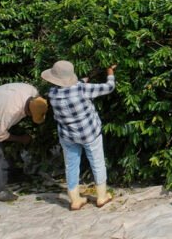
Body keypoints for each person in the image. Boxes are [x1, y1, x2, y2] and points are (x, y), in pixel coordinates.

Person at [42, 60, 117, 211]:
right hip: (90, 134)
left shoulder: (52, 93)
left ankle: (75, 200)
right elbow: (109, 87)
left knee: (71, 166)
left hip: (68, 136)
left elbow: (71, 88)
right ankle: (101, 197)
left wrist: (85, 79)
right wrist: (110, 72)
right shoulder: (82, 89)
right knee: (97, 163)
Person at [0, 83, 48, 202]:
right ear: (28, 111)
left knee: (8, 143)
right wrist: (21, 139)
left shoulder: (33, 92)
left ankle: (13, 174)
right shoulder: (11, 111)